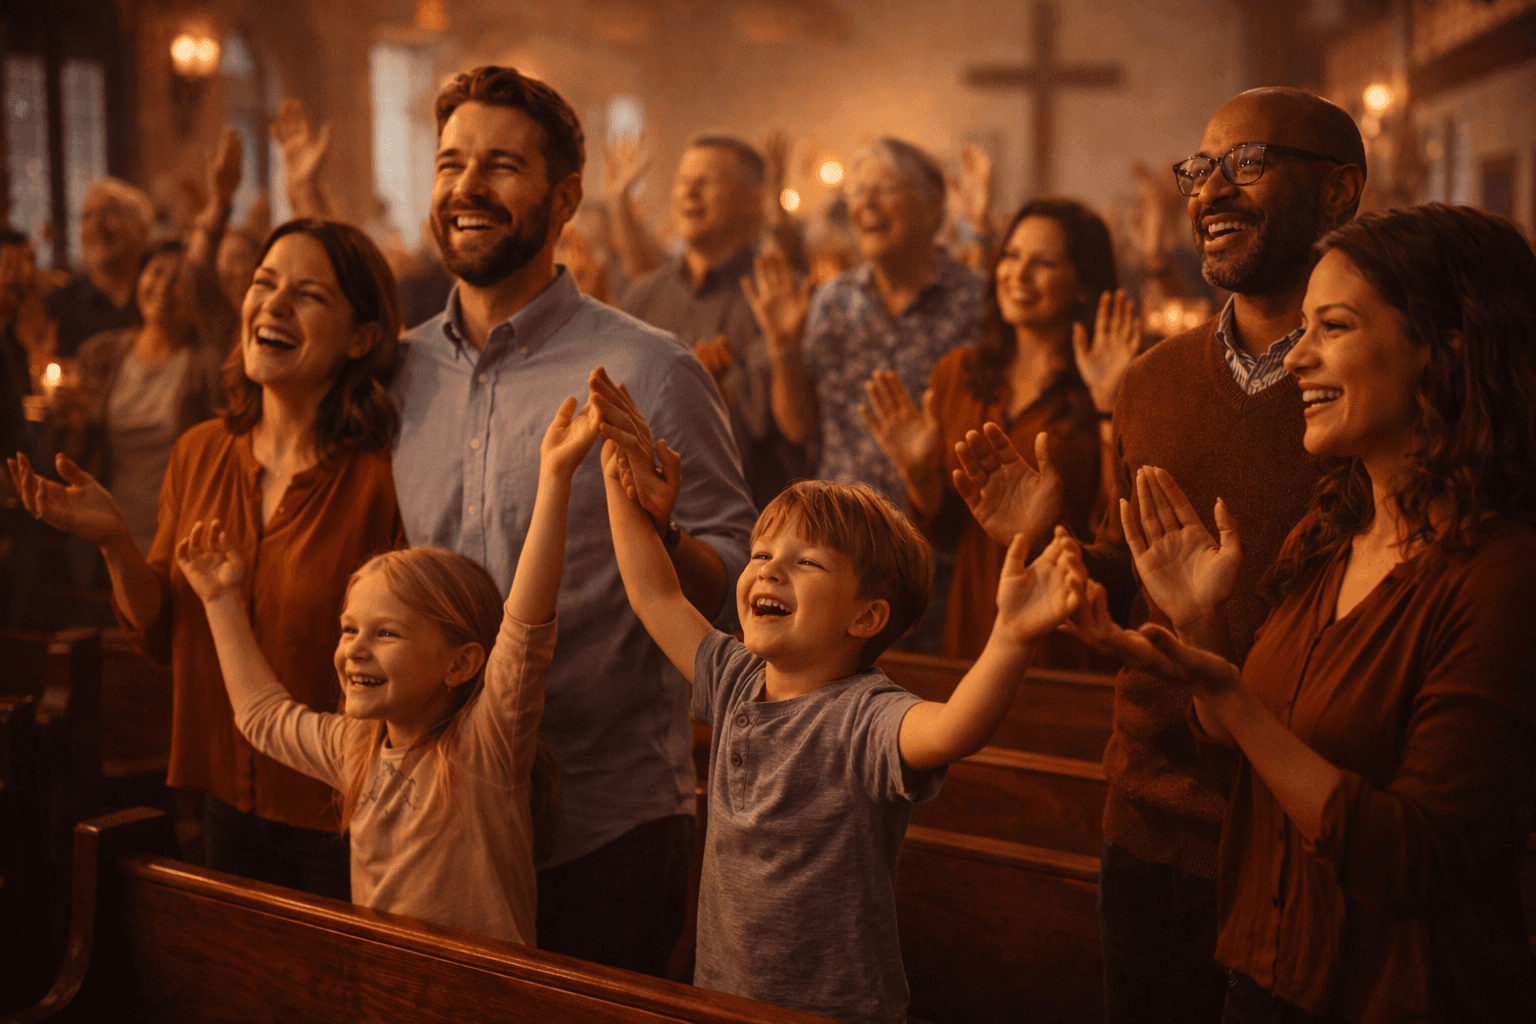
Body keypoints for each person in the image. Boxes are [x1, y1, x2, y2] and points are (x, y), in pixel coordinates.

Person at [948, 88, 1367, 1022]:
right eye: (1200, 169)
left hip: (1308, 819)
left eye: (1247, 163)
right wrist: (1046, 540)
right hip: (1153, 815)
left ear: (1339, 192)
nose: (1211, 191)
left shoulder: (1369, 381)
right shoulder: (1153, 381)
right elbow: (1135, 571)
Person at [1072, 202, 1536, 1022]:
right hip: (1267, 975)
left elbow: (1415, 860)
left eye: (1335, 327)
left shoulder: (1500, 576)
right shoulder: (1329, 536)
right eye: (1304, 328)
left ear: (1448, 345)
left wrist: (1235, 699)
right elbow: (1257, 785)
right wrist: (1204, 635)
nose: (1298, 358)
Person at [391, 65, 756, 975]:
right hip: (443, 807)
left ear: (564, 199)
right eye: (450, 164)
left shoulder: (651, 369)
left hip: (606, 820)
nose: (467, 187)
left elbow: (738, 581)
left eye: (501, 165)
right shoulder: (397, 373)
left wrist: (664, 536)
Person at [597, 372, 1086, 1021]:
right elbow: (655, 594)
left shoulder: (863, 716)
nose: (770, 568)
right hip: (724, 997)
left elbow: (955, 728)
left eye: (806, 562)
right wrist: (619, 482)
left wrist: (1012, 636)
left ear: (865, 617)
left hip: (834, 1009)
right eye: (761, 554)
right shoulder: (737, 678)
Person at [10, 218, 406, 898]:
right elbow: (162, 632)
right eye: (264, 284)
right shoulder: (201, 451)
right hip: (224, 789)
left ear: (362, 337)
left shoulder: (381, 477)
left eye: (308, 295)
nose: (273, 306)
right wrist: (115, 543)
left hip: (339, 805)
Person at [175, 394, 599, 943]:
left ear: (461, 663)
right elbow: (263, 716)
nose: (354, 649)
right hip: (384, 983)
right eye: (349, 629)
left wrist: (556, 478)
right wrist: (219, 601)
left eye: (386, 633)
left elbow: (524, 630)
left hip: (480, 989)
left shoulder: (484, 750)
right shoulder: (357, 749)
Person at [861, 198, 1139, 661]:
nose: (1018, 275)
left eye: (1043, 263)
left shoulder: (1110, 382)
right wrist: (920, 476)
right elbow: (946, 534)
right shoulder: (958, 373)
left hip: (1067, 634)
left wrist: (1109, 409)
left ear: (1082, 285)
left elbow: (1116, 532)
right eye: (1011, 256)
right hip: (975, 624)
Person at [747, 136, 985, 510]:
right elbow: (798, 428)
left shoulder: (978, 301)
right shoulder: (831, 301)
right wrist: (784, 350)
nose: (866, 203)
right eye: (857, 192)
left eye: (884, 188)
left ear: (931, 207)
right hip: (838, 525)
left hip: (937, 526)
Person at [620, 134, 798, 508]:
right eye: (683, 181)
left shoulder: (780, 295)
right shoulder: (644, 297)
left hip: (755, 518)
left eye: (706, 182)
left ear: (753, 201)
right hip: (648, 518)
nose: (689, 192)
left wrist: (713, 396)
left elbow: (787, 427)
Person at [47, 177, 154, 358]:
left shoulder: (166, 294)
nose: (96, 225)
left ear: (142, 228)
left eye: (109, 212)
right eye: (87, 216)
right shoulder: (59, 308)